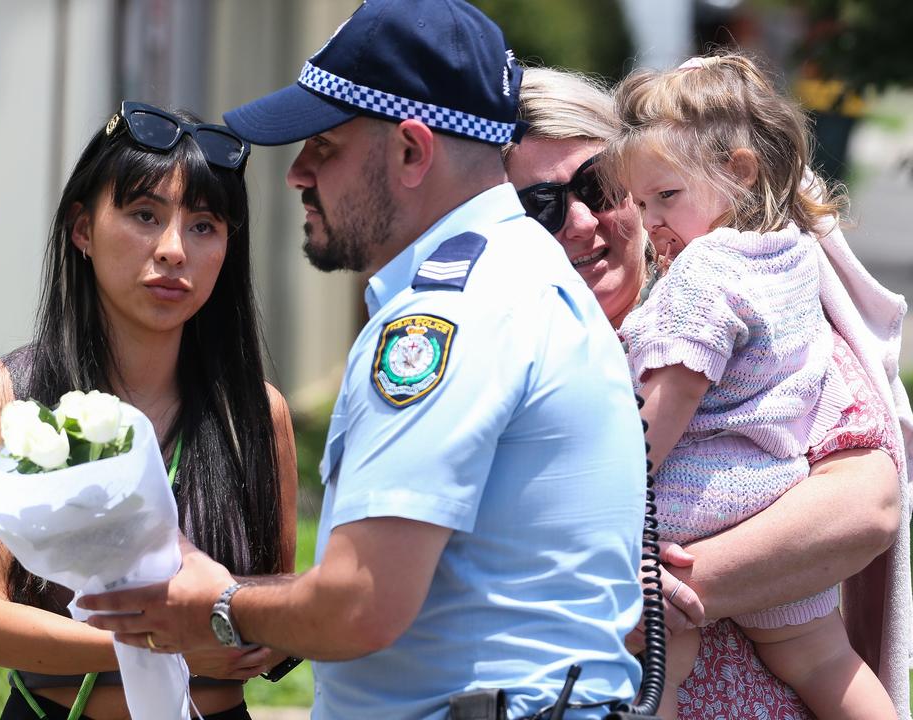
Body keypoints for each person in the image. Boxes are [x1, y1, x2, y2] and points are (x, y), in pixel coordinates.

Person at [78, 2, 649, 718]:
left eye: (325, 147)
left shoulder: (444, 316)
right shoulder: (524, 272)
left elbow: (362, 602)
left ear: (411, 152)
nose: (298, 175)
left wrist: (215, 605)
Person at [504, 65, 913, 719]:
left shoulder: (707, 286)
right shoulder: (494, 357)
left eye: (598, 188)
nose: (582, 220)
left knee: (671, 667)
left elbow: (866, 504)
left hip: (713, 616)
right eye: (540, 205)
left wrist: (657, 595)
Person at [0, 102, 299, 720]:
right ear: (82, 229)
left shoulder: (257, 415)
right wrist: (170, 643)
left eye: (205, 225)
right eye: (144, 215)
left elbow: (279, 600)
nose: (174, 249)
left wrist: (260, 627)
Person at [604, 52, 892, 720]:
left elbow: (669, 400)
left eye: (666, 197)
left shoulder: (703, 273)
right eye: (641, 203)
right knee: (822, 658)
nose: (652, 223)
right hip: (776, 488)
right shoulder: (791, 250)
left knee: (652, 655)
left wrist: (613, 490)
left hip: (694, 496)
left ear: (739, 170)